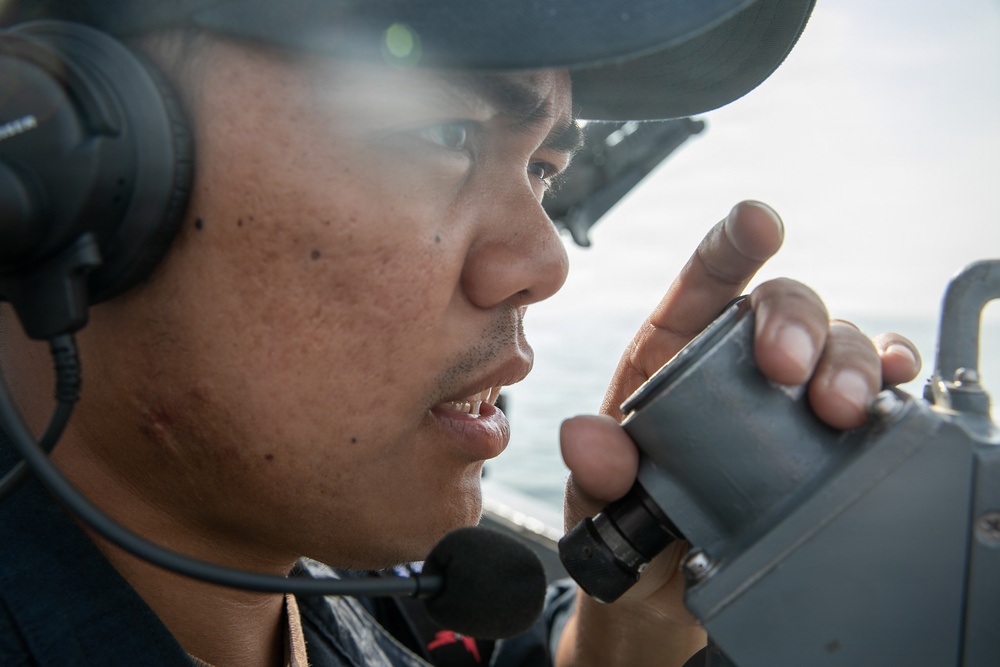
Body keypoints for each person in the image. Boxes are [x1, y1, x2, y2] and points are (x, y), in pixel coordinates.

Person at [0, 1, 922, 665]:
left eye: (545, 171)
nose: (546, 260)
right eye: (443, 128)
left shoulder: (394, 589)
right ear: (55, 162)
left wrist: (632, 619)